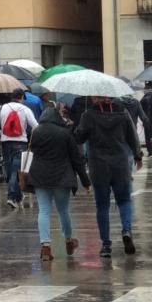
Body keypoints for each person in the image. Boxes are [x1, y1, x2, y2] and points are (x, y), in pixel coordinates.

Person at [75, 96, 142, 258]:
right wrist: (138, 156)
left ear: (95, 97)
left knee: (102, 205)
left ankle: (106, 245)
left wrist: (77, 125)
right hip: (120, 164)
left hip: (98, 166)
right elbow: (133, 137)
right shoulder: (123, 113)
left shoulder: (88, 115)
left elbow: (79, 138)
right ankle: (126, 230)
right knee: (124, 201)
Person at [27, 107, 91, 261]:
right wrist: (85, 180)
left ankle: (46, 246)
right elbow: (76, 158)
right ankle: (68, 239)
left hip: (40, 176)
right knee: (63, 211)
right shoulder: (65, 133)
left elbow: (31, 151)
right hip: (62, 177)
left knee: (44, 211)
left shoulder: (36, 132)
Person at [0, 88, 39, 209]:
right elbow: (36, 126)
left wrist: (0, 134)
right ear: (21, 97)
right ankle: (12, 197)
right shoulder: (25, 109)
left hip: (5, 142)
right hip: (21, 143)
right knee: (16, 171)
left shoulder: (1, 108)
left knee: (9, 168)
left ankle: (17, 196)